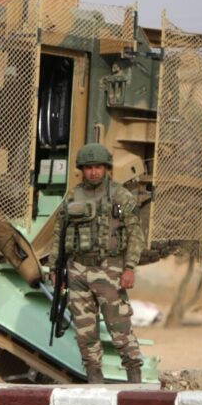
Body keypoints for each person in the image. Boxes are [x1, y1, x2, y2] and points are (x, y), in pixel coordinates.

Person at [49, 143, 144, 384]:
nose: (93, 172)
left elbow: (136, 234)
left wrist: (130, 267)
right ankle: (94, 381)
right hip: (77, 270)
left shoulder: (120, 195)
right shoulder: (73, 196)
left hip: (109, 269)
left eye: (98, 167)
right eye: (89, 168)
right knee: (85, 332)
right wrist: (55, 269)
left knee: (119, 328)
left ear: (106, 168)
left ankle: (135, 379)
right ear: (82, 169)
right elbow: (59, 234)